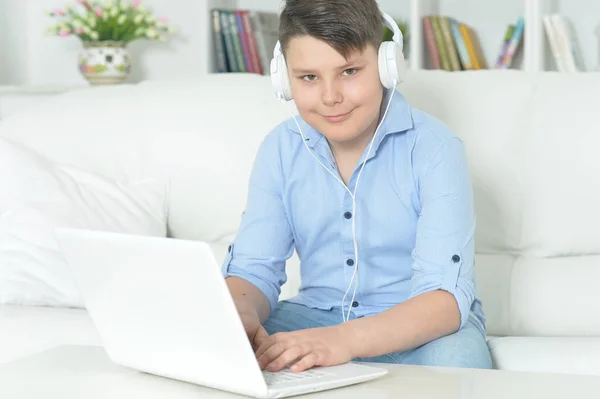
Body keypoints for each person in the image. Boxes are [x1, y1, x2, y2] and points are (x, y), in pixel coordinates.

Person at [222, 0, 492, 374]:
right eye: (309, 77)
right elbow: (254, 272)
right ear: (284, 79)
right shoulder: (280, 149)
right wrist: (240, 315)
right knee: (219, 353)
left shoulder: (435, 148)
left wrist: (341, 341)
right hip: (313, 319)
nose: (331, 96)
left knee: (458, 361)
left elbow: (443, 300)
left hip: (422, 330)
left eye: (349, 71)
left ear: (387, 65)